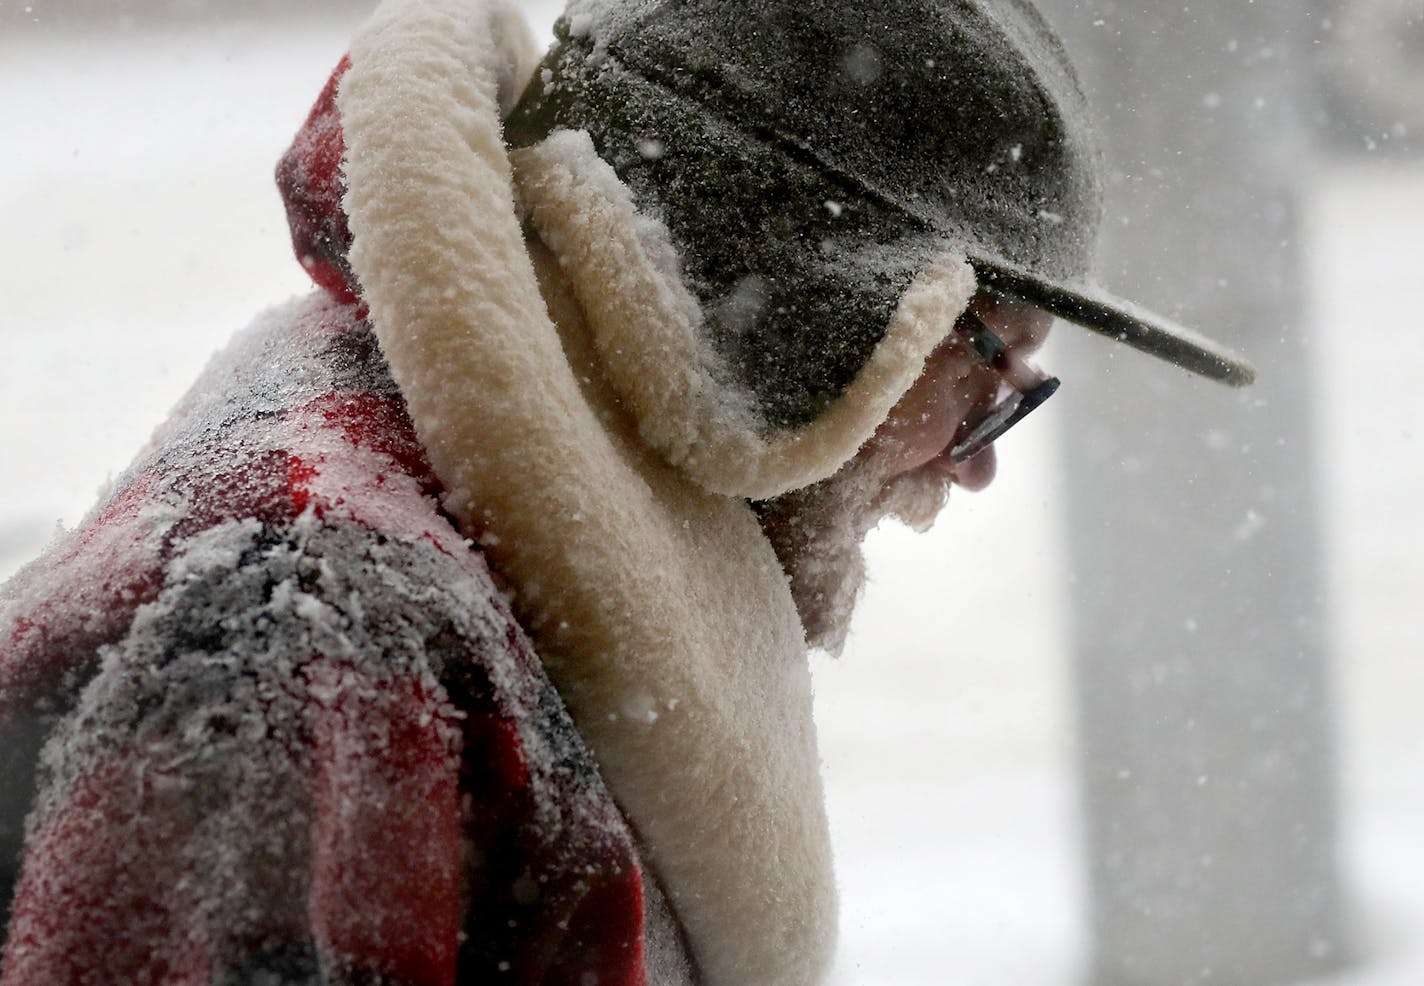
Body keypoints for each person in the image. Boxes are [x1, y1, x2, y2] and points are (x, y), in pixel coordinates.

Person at [0, 0, 1253, 983]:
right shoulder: (315, 623)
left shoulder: (474, 533)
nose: (978, 457)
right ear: (829, 307)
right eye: (991, 363)